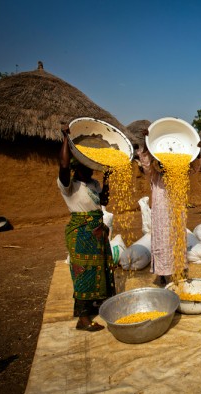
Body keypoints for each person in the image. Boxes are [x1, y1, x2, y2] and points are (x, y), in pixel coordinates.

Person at [58, 123, 116, 332]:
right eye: (87, 165)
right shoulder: (69, 186)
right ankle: (82, 318)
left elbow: (103, 199)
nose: (92, 168)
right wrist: (66, 138)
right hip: (81, 233)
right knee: (83, 273)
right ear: (78, 166)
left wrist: (107, 177)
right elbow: (63, 166)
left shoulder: (93, 184)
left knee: (101, 268)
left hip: (98, 231)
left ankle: (99, 304)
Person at [136, 129, 201, 285]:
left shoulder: (180, 178)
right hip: (161, 219)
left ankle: (178, 269)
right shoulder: (155, 177)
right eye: (163, 163)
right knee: (161, 244)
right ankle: (161, 272)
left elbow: (194, 169)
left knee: (177, 242)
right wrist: (146, 144)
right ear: (160, 165)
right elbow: (146, 165)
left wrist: (198, 152)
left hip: (177, 217)